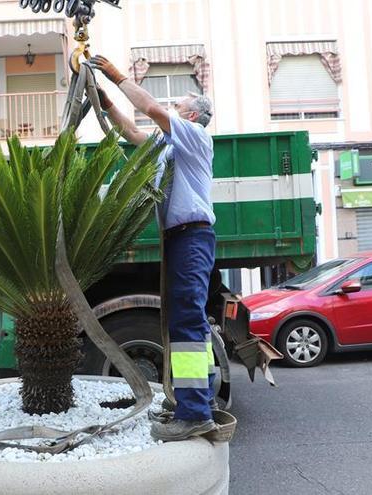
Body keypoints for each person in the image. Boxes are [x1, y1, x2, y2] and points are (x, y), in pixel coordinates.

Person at [91, 55, 219, 442]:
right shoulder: (168, 149)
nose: (172, 110)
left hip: (192, 237)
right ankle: (199, 400)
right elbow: (133, 132)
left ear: (192, 117)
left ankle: (195, 411)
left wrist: (116, 77)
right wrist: (106, 102)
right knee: (187, 322)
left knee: (185, 324)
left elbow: (148, 108)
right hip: (182, 239)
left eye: (179, 107)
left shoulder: (195, 138)